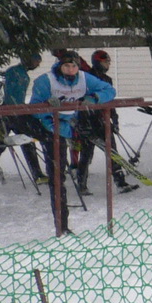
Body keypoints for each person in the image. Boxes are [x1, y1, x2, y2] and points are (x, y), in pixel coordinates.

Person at [28, 50, 115, 232]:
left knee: (64, 172)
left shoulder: (84, 78)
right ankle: (62, 225)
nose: (70, 69)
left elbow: (109, 90)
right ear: (60, 65)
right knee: (57, 175)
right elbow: (34, 109)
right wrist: (47, 106)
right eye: (66, 65)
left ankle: (64, 225)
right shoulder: (46, 81)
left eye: (74, 66)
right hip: (46, 127)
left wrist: (94, 98)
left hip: (67, 127)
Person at [75, 50, 137, 195]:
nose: (108, 64)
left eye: (108, 62)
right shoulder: (85, 77)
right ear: (97, 62)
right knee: (86, 154)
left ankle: (120, 182)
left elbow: (110, 101)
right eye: (105, 62)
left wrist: (114, 119)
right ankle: (81, 184)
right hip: (86, 120)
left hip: (102, 121)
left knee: (112, 152)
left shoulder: (107, 80)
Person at [2, 52, 45, 184]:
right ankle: (37, 174)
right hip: (10, 113)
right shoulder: (15, 73)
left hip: (16, 112)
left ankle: (37, 174)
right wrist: (14, 108)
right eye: (36, 61)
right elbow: (9, 93)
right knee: (4, 143)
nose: (38, 64)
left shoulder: (21, 73)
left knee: (23, 142)